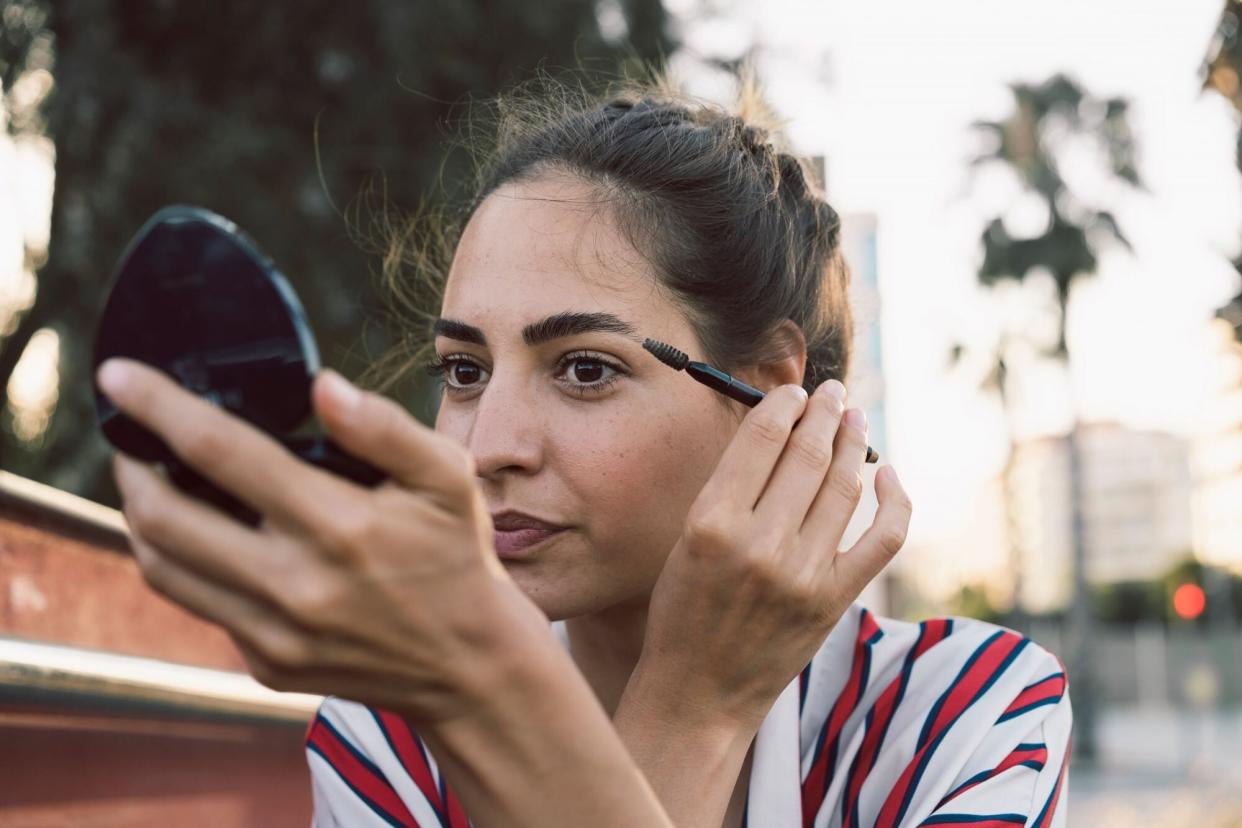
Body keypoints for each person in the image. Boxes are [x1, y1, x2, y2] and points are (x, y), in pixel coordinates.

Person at [97, 70, 1070, 828]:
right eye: (465, 372)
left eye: (586, 370)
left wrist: (698, 710)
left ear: (775, 397)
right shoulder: (387, 744)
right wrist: (684, 711)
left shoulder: (960, 716)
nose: (489, 448)